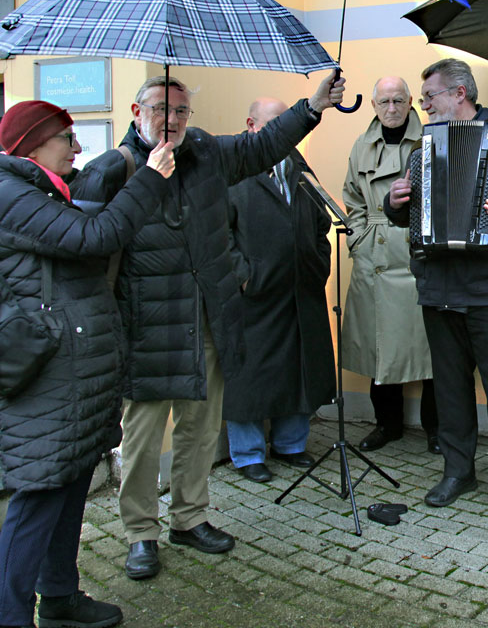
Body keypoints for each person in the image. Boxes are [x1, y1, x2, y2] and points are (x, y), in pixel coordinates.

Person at [70, 71, 345, 580]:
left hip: (208, 322)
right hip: (148, 328)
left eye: (179, 111)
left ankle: (190, 519)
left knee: (198, 431)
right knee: (143, 438)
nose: (170, 119)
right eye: (159, 109)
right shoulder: (113, 169)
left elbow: (263, 145)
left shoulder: (206, 154)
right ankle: (140, 533)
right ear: (137, 113)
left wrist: (312, 106)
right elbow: (86, 249)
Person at [0, 100, 175, 628]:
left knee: (71, 485)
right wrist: (148, 180)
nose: (78, 149)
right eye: (66, 139)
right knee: (40, 498)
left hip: (73, 374)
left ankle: (58, 597)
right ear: (32, 146)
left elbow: (86, 221)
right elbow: (92, 237)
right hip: (48, 378)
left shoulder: (41, 190)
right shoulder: (9, 193)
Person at [384, 58, 488, 524]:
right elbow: (410, 207)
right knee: (451, 389)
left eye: (429, 98)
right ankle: (458, 472)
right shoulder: (424, 145)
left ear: (460, 93)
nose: (424, 107)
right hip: (438, 284)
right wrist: (394, 201)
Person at [223, 98, 337, 483]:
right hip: (254, 294)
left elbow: (322, 221)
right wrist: (244, 275)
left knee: (297, 368)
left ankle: (291, 444)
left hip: (299, 288)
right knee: (251, 376)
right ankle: (248, 453)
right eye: (275, 123)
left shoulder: (298, 165)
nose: (283, 132)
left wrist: (318, 264)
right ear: (251, 124)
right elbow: (217, 233)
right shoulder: (233, 168)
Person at [341, 78, 437, 455]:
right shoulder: (361, 145)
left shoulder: (429, 139)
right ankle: (387, 425)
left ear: (411, 101)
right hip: (376, 257)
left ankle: (437, 428)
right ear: (375, 105)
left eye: (399, 100)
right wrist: (359, 240)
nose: (392, 108)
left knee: (431, 349)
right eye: (384, 101)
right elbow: (353, 200)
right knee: (382, 348)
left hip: (418, 257)